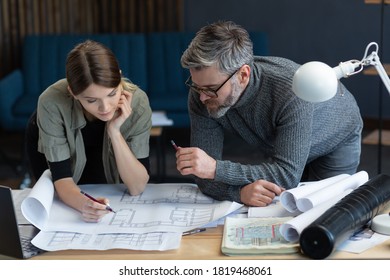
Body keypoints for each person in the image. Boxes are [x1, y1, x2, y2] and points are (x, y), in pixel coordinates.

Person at [175, 21, 363, 207]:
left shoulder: (290, 90)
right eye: (197, 86)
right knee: (285, 209)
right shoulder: (202, 92)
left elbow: (286, 175)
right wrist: (238, 193)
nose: (201, 97)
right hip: (283, 144)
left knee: (325, 211)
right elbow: (203, 173)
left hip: (335, 135)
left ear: (243, 75)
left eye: (210, 89)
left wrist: (216, 168)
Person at [25, 40, 152, 222]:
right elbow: (62, 180)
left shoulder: (138, 102)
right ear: (73, 92)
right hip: (48, 136)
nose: (105, 107)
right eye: (92, 100)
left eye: (112, 94)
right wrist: (85, 205)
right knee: (57, 205)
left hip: (106, 149)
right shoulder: (51, 102)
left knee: (104, 184)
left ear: (119, 78)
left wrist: (115, 132)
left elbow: (137, 187)